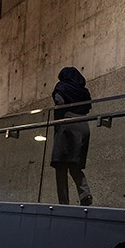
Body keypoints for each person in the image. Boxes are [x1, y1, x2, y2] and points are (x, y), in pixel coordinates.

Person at [50, 67, 94, 206]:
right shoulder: (84, 91)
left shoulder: (62, 86)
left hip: (66, 124)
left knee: (60, 165)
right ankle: (85, 194)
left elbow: (60, 102)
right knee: (75, 165)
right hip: (83, 125)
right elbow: (88, 108)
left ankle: (64, 202)